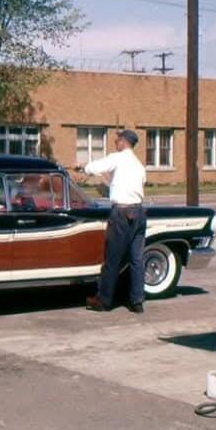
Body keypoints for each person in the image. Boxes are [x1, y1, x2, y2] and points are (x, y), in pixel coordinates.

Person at [80, 129, 147, 313]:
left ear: (124, 142)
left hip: (121, 214)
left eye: (117, 139)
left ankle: (103, 300)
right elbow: (130, 185)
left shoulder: (118, 158)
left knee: (112, 258)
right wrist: (110, 182)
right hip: (139, 213)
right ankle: (137, 301)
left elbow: (95, 167)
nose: (116, 142)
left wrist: (83, 168)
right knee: (136, 259)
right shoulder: (138, 165)